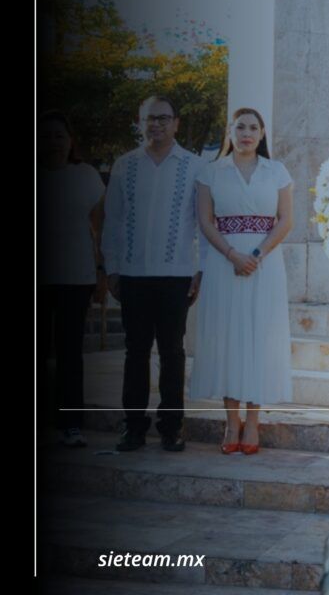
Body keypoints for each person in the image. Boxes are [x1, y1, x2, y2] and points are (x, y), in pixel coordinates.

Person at [102, 96, 205, 452]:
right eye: (150, 118)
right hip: (133, 273)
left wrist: (199, 271)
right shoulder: (124, 165)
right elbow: (113, 220)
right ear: (140, 121)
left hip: (176, 274)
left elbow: (202, 224)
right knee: (135, 352)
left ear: (176, 122)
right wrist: (112, 267)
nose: (156, 124)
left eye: (163, 118)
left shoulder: (194, 166)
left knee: (173, 353)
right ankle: (132, 426)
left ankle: (171, 426)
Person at [189, 107, 294, 455]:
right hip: (225, 262)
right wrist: (233, 255)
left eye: (253, 128)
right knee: (229, 338)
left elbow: (285, 221)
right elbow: (206, 221)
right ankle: (231, 421)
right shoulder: (211, 173)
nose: (246, 133)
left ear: (262, 134)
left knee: (259, 338)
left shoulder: (276, 171)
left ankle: (253, 422)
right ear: (229, 132)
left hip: (265, 264)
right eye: (240, 127)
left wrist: (257, 254)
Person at [38, 111, 105, 447]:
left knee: (69, 353)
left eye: (59, 136)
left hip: (75, 278)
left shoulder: (87, 176)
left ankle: (70, 423)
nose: (53, 143)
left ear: (70, 141)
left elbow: (98, 227)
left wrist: (101, 274)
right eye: (46, 136)